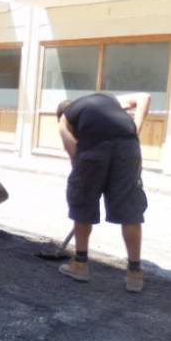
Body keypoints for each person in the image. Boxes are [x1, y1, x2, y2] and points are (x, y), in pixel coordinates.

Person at [56, 91, 151, 292]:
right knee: (129, 208)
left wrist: (84, 183)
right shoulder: (108, 99)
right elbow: (145, 97)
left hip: (93, 149)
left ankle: (80, 264)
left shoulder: (64, 119)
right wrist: (135, 129)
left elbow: (74, 154)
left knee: (82, 200)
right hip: (128, 148)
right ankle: (135, 273)